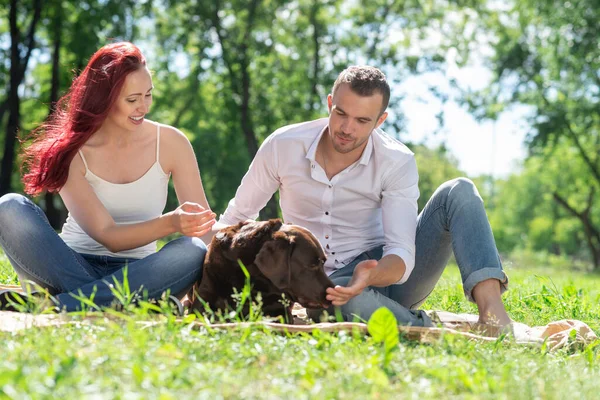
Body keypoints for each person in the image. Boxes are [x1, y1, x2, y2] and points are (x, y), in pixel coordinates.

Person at [217, 66, 511, 327]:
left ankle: (494, 316)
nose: (347, 129)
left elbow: (402, 253)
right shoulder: (282, 146)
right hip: (318, 281)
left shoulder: (396, 161)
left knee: (458, 191)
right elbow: (236, 218)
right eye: (341, 114)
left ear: (379, 120)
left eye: (361, 120)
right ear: (330, 104)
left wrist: (369, 276)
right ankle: (422, 327)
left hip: (384, 272)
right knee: (337, 304)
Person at [0, 42, 216, 312]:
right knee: (9, 207)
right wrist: (171, 222)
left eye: (148, 95)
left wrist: (237, 248)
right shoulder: (72, 151)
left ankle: (62, 304)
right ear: (104, 99)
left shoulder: (172, 142)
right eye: (132, 99)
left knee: (193, 248)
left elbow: (204, 228)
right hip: (68, 266)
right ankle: (127, 303)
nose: (143, 107)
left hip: (144, 271)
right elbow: (109, 236)